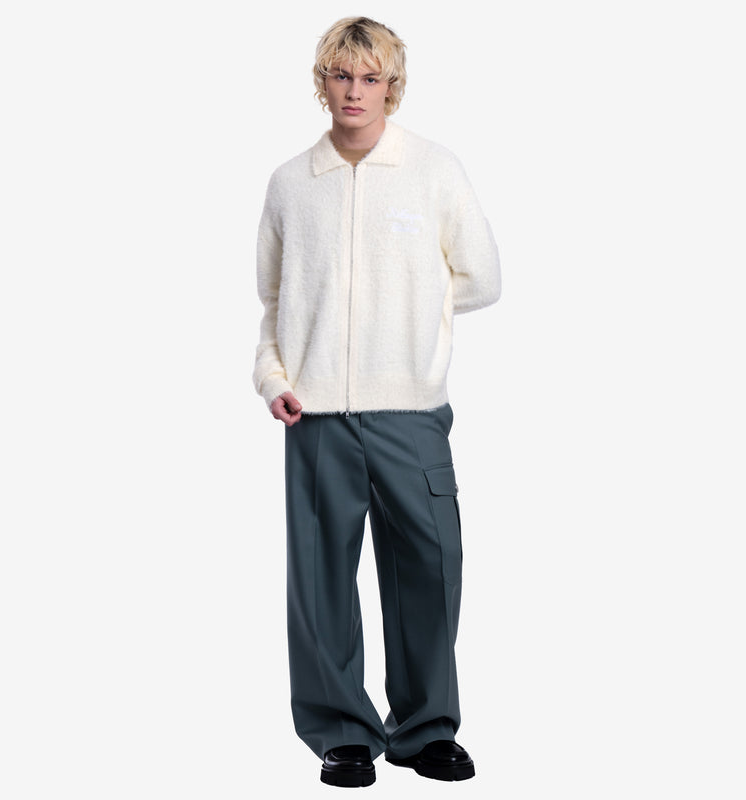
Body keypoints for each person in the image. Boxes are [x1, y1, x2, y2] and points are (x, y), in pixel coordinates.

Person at [252, 16, 501, 787]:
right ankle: (342, 733)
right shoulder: (292, 183)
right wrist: (274, 380)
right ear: (322, 82)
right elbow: (274, 302)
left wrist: (411, 321)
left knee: (431, 565)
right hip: (315, 414)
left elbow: (482, 278)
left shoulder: (432, 169)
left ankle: (425, 730)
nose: (354, 91)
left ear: (392, 86)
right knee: (320, 579)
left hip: (410, 412)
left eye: (370, 78)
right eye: (341, 75)